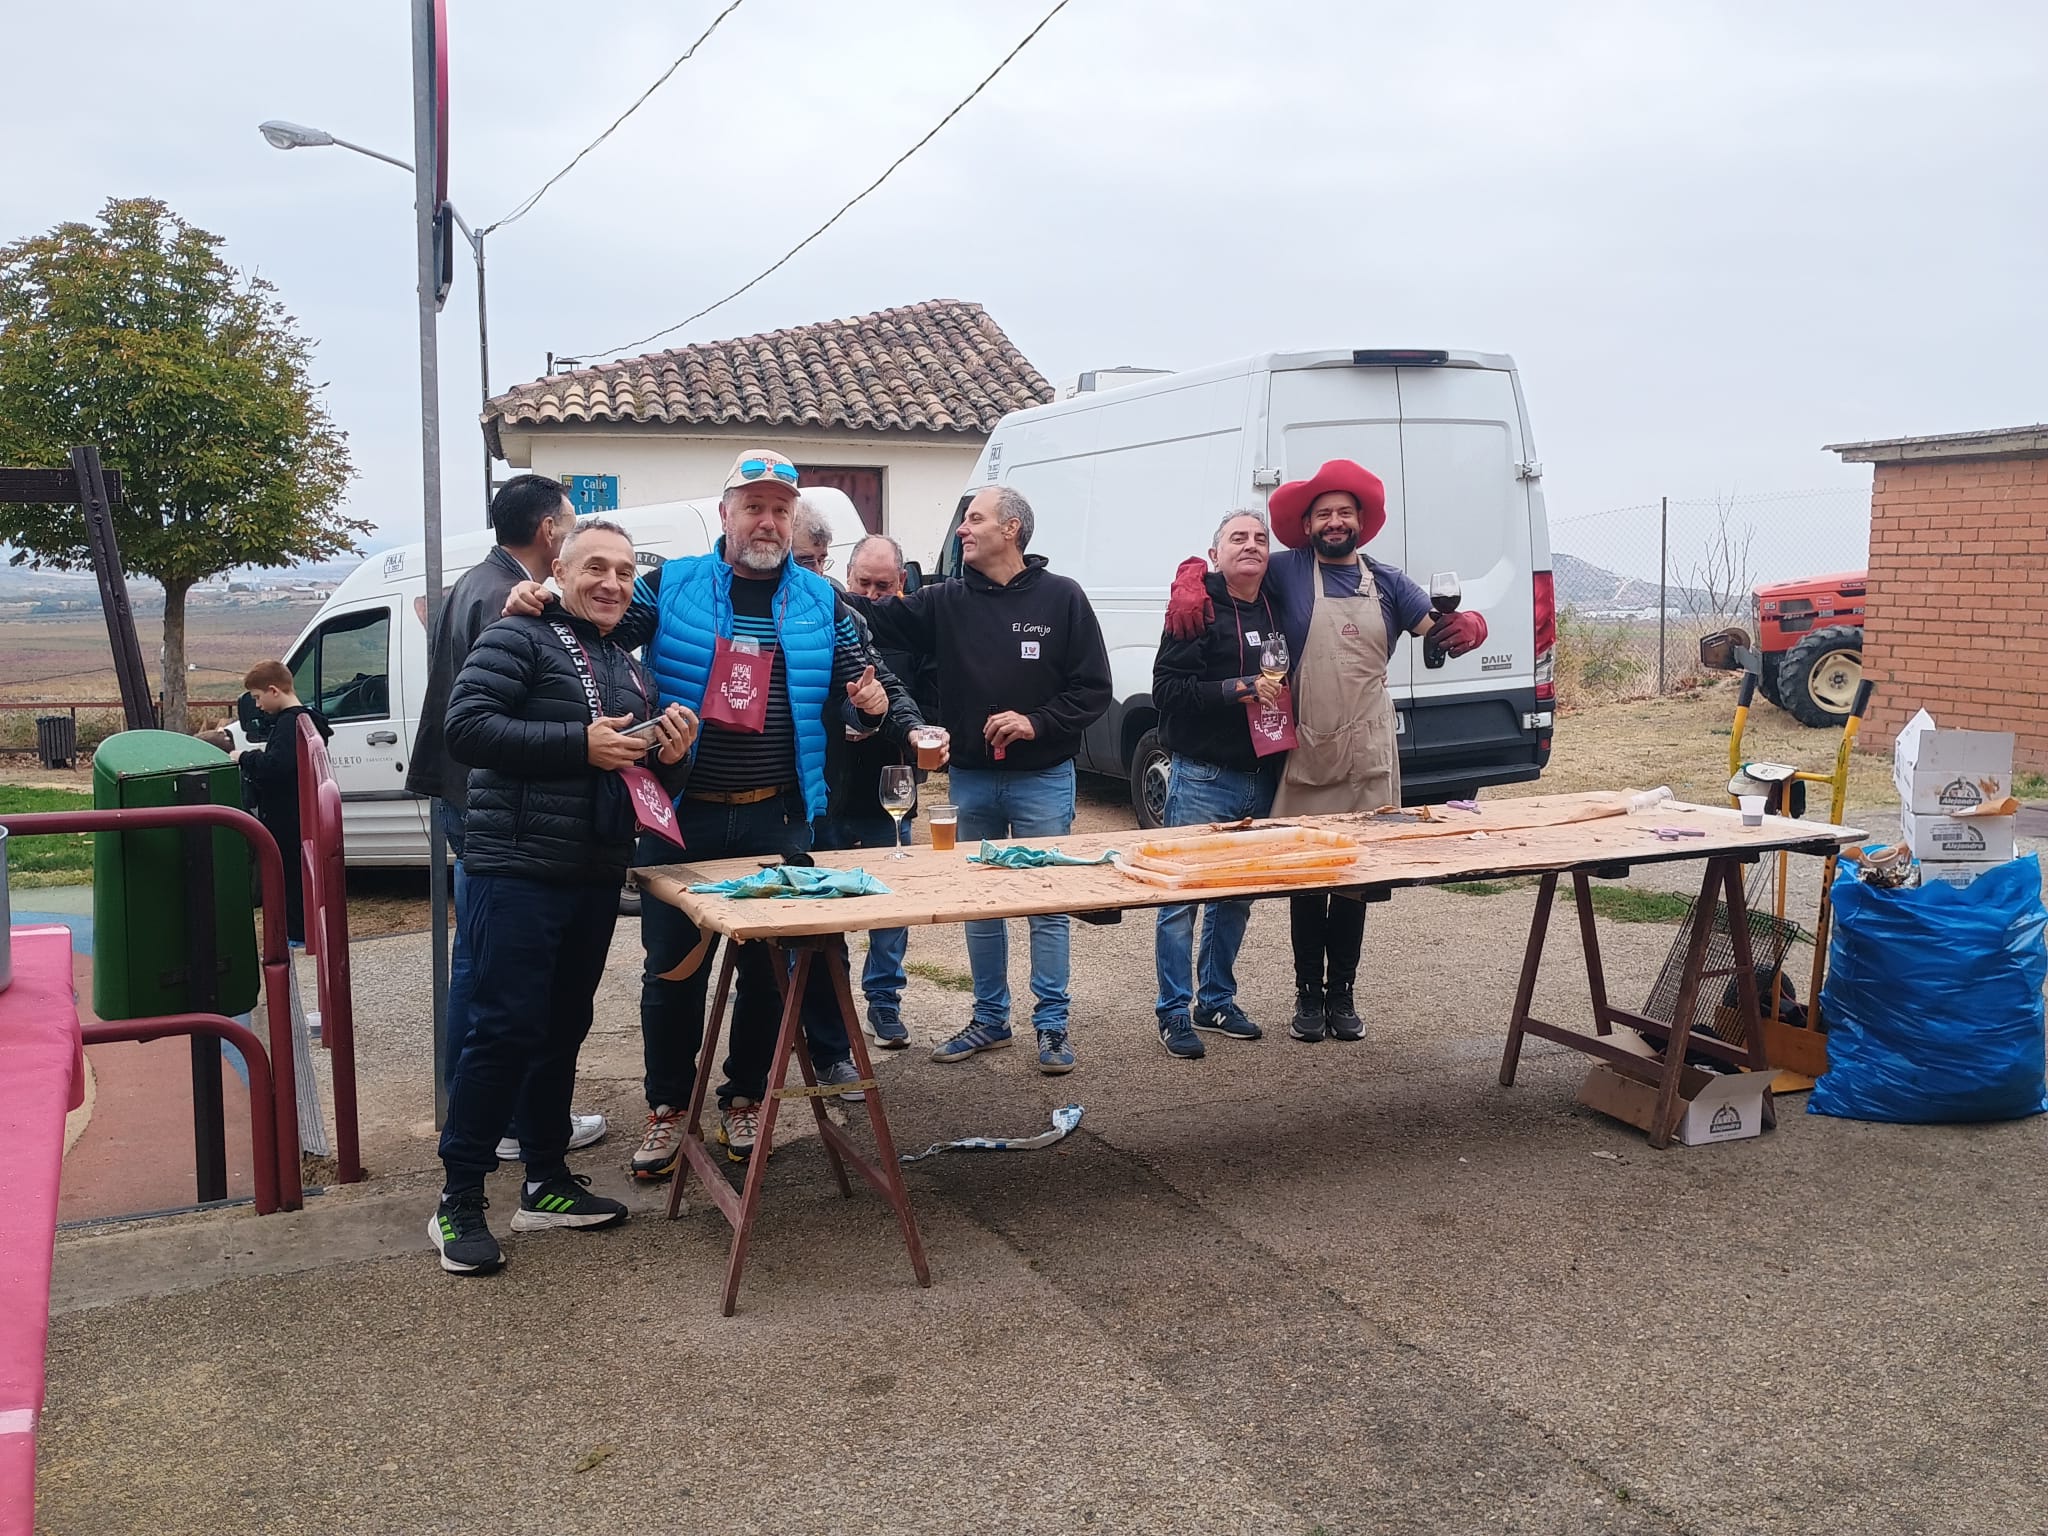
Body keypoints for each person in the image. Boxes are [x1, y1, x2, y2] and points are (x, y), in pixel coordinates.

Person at [507, 450, 908, 1177]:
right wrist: (541, 601)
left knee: (766, 975)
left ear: (793, 520)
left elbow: (866, 685)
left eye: (780, 509)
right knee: (672, 973)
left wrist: (880, 711)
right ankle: (667, 1108)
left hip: (776, 818)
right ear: (726, 514)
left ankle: (744, 1098)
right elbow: (596, 630)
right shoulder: (672, 585)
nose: (767, 521)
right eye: (753, 506)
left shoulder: (823, 603)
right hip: (679, 818)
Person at [431, 518, 697, 1275]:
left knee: (561, 1029)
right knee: (502, 1030)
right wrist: (578, 743)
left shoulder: (630, 669)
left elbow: (631, 775)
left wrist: (671, 757)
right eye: (595, 568)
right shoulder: (516, 635)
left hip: (590, 872)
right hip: (513, 867)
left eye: (624, 572)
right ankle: (458, 1201)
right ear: (560, 571)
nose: (611, 583)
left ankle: (544, 1181)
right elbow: (465, 729)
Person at [1165, 460, 1487, 1043]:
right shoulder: (1287, 569)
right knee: (1309, 877)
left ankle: (1343, 995)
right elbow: (1231, 566)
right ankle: (1307, 997)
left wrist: (1472, 625)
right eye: (1323, 514)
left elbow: (1436, 630)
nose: (1334, 522)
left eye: (1344, 513)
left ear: (1361, 521)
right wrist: (1188, 575)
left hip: (1368, 750)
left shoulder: (1389, 582)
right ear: (1308, 524)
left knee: (1354, 879)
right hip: (1309, 745)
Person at [849, 486, 1111, 1075]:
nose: (962, 530)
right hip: (970, 779)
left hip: (1043, 778)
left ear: (1012, 528)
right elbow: (872, 615)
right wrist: (801, 580)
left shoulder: (1062, 597)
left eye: (974, 519)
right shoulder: (946, 601)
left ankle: (1052, 1025)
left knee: (1047, 902)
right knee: (979, 905)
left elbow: (1094, 688)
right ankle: (991, 1019)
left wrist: (1036, 722)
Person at [404, 474, 607, 1161]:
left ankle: (485, 1117)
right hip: (499, 812)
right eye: (571, 529)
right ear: (550, 534)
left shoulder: (475, 581)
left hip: (470, 799)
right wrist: (582, 744)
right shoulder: (511, 599)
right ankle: (507, 1124)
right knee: (500, 984)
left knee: (480, 966)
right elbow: (483, 719)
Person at [1148, 511, 1286, 1060]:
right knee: (1181, 899)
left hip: (1262, 773)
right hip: (1202, 775)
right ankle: (1173, 1012)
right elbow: (1166, 691)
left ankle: (1217, 1000)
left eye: (1260, 538)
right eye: (1238, 538)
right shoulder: (1196, 605)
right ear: (1215, 553)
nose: (1251, 545)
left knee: (1236, 900)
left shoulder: (1275, 602)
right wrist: (1238, 689)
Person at [836, 534, 940, 1049]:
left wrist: (907, 729)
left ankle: (884, 1002)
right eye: (864, 584)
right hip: (831, 788)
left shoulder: (914, 629)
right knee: (824, 910)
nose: (873, 596)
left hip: (891, 785)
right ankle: (828, 1011)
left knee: (891, 906)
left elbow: (928, 702)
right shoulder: (831, 621)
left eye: (883, 586)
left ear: (901, 582)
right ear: (847, 575)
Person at [230, 660, 331, 945]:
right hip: (297, 814)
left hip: (288, 818)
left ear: (274, 691)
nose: (258, 705)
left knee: (290, 879)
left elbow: (277, 766)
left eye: (257, 697)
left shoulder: (289, 723)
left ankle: (296, 936)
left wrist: (245, 758)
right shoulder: (306, 720)